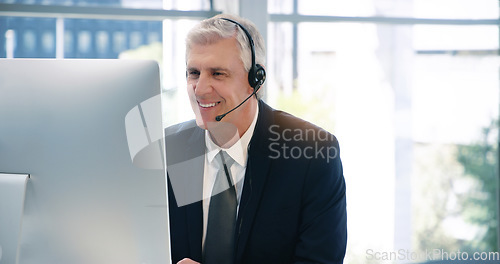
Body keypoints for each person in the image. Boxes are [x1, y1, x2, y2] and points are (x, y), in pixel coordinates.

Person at [165, 14, 347, 264]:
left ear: (256, 81)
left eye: (218, 74)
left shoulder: (313, 154)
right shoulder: (167, 151)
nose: (200, 89)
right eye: (194, 73)